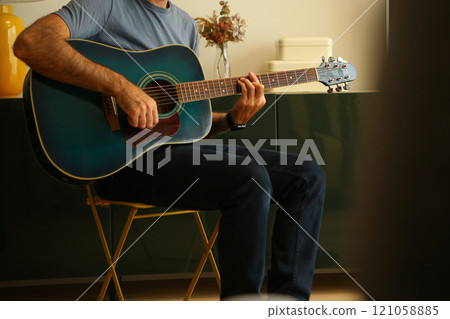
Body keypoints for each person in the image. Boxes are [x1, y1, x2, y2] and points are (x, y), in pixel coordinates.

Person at [14, 0, 325, 301]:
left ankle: (290, 304)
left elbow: (186, 124)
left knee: (307, 175)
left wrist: (233, 119)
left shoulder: (184, 25)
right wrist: (121, 88)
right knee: (249, 176)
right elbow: (31, 43)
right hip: (120, 159)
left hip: (173, 154)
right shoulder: (104, 4)